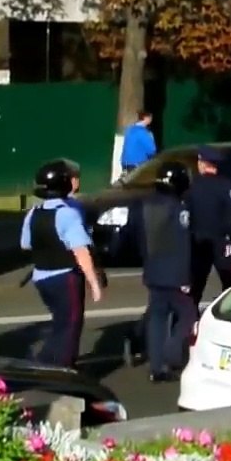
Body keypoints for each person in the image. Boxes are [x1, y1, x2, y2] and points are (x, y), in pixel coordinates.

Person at [20, 161, 103, 368]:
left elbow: (26, 244)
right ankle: (62, 367)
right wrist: (94, 282)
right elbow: (81, 251)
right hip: (65, 277)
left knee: (60, 321)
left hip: (41, 277)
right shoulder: (68, 214)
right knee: (71, 324)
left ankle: (48, 361)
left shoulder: (33, 212)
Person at [131, 162, 200, 382]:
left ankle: (157, 365)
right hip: (174, 274)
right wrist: (185, 277)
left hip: (153, 271)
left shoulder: (144, 205)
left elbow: (139, 239)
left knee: (157, 318)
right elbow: (183, 245)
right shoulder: (178, 207)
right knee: (188, 314)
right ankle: (172, 354)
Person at [185, 147, 231, 302]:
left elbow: (186, 217)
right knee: (229, 286)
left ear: (202, 163)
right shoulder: (226, 186)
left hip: (197, 242)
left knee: (195, 288)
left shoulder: (192, 186)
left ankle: (191, 321)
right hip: (221, 242)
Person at [120, 110, 157, 175]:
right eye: (150, 118)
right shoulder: (143, 132)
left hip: (125, 162)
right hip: (137, 163)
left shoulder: (130, 129)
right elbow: (152, 149)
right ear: (146, 118)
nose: (151, 120)